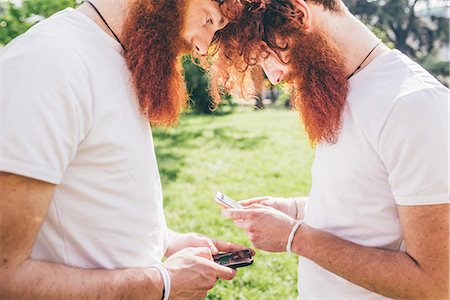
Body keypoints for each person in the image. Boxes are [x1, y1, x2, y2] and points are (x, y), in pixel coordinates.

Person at [0, 0, 247, 299]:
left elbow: (91, 208)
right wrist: (163, 284)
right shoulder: (48, 62)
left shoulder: (120, 57)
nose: (202, 47)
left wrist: (166, 242)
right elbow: (7, 277)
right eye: (208, 19)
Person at [211, 0, 450, 298]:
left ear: (299, 15)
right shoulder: (343, 89)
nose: (274, 77)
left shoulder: (413, 105)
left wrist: (294, 237)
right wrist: (296, 210)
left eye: (267, 56)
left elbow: (435, 284)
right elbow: (372, 207)